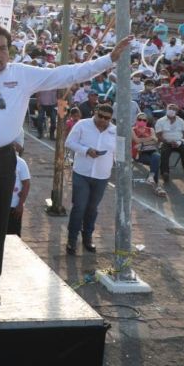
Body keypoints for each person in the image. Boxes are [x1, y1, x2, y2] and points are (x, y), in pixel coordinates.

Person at [0, 24, 132, 306]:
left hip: (3, 158)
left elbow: (68, 73)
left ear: (10, 51)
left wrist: (109, 59)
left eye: (2, 49)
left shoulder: (22, 74)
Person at [64, 104, 116, 254]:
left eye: (107, 118)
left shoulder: (115, 131)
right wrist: (86, 150)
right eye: (100, 116)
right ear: (95, 113)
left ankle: (87, 237)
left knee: (92, 208)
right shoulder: (82, 124)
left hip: (102, 176)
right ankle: (72, 240)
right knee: (79, 207)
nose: (103, 120)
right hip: (82, 173)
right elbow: (69, 142)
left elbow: (120, 152)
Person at [155, 103, 184, 185]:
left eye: (174, 109)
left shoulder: (180, 121)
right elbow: (158, 135)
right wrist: (167, 141)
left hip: (179, 142)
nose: (171, 110)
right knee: (164, 152)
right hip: (166, 142)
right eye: (170, 108)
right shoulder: (160, 121)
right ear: (166, 109)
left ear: (177, 111)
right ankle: (165, 173)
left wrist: (180, 141)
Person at [132, 113, 166, 196]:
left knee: (157, 156)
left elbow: (155, 141)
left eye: (144, 120)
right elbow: (136, 140)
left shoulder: (151, 129)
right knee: (155, 161)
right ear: (136, 120)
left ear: (146, 121)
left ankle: (151, 177)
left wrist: (142, 143)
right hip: (139, 153)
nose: (142, 121)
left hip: (151, 150)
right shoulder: (132, 129)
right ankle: (156, 185)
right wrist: (150, 138)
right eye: (139, 119)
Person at [8, 146, 31, 237]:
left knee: (13, 236)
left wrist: (20, 204)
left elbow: (26, 184)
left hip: (13, 207)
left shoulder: (21, 163)